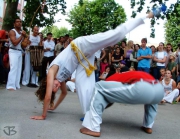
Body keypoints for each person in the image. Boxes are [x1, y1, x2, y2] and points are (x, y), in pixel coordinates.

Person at [30, 9, 165, 120]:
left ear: (48, 83)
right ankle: (89, 112)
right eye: (57, 87)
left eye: (54, 86)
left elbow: (48, 96)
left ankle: (148, 15)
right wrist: (54, 107)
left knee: (115, 35)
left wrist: (43, 114)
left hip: (80, 45)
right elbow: (64, 93)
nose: (58, 85)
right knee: (82, 85)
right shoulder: (59, 79)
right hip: (82, 59)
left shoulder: (52, 71)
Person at [80, 71, 164, 137]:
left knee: (98, 86)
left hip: (141, 87)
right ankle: (148, 126)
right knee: (152, 101)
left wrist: (91, 111)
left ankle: (93, 128)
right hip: (159, 89)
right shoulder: (127, 74)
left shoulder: (110, 79)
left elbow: (106, 100)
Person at [6, 18, 26, 90]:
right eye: (17, 22)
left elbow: (23, 45)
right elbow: (14, 43)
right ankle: (10, 85)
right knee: (13, 68)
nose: (19, 23)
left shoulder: (21, 32)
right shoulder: (12, 31)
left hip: (19, 51)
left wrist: (26, 39)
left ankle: (16, 84)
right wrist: (22, 36)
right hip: (13, 51)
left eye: (20, 22)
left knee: (18, 69)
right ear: (14, 24)